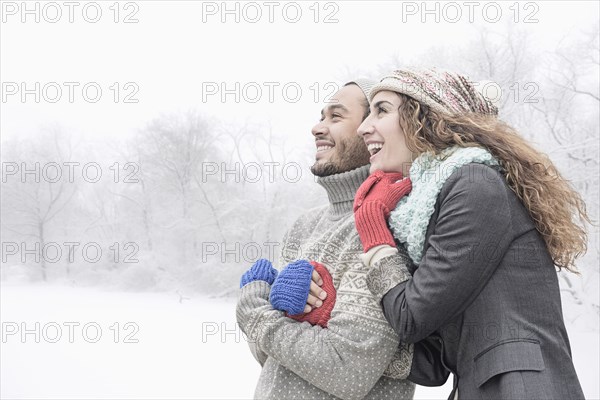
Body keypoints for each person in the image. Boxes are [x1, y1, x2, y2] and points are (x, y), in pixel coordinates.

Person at [352, 67, 589, 399]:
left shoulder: (475, 185)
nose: (364, 127)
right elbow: (434, 362)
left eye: (382, 109)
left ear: (425, 118)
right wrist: (326, 315)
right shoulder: (433, 204)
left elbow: (411, 317)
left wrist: (376, 238)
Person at [236, 79, 447, 400]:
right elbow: (267, 355)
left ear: (372, 129)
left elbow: (347, 369)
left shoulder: (388, 223)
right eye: (322, 116)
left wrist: (254, 309)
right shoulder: (305, 225)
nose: (317, 128)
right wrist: (282, 309)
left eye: (336, 117)